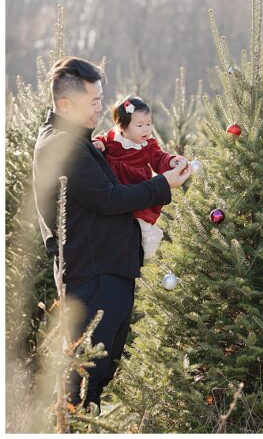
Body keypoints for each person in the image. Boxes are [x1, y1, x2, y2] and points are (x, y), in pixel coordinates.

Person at [32, 57, 191, 409]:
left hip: (107, 273)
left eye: (101, 99)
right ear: (65, 105)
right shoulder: (62, 145)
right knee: (83, 379)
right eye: (93, 101)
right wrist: (162, 184)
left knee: (98, 375)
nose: (101, 109)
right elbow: (109, 198)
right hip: (94, 279)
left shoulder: (78, 142)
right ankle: (72, 427)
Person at [92, 95, 189, 260]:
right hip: (116, 189)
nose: (146, 130)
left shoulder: (148, 145)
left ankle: (146, 241)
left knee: (141, 221)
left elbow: (160, 158)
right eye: (140, 125)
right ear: (121, 126)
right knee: (117, 221)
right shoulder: (112, 138)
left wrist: (171, 161)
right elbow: (100, 140)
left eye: (149, 124)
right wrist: (98, 143)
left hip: (137, 187)